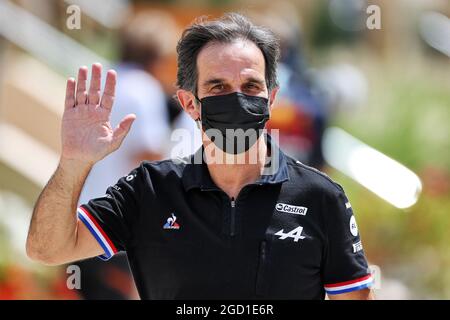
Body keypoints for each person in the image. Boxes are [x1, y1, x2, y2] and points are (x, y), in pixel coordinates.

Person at [27, 13, 374, 300]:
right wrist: (74, 162)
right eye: (218, 87)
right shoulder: (150, 190)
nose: (237, 99)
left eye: (251, 87)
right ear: (190, 103)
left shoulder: (321, 198)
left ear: (271, 98)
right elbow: (47, 249)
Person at [74, 11, 173, 299]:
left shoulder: (102, 80)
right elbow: (148, 157)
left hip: (81, 214)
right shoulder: (144, 87)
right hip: (116, 222)